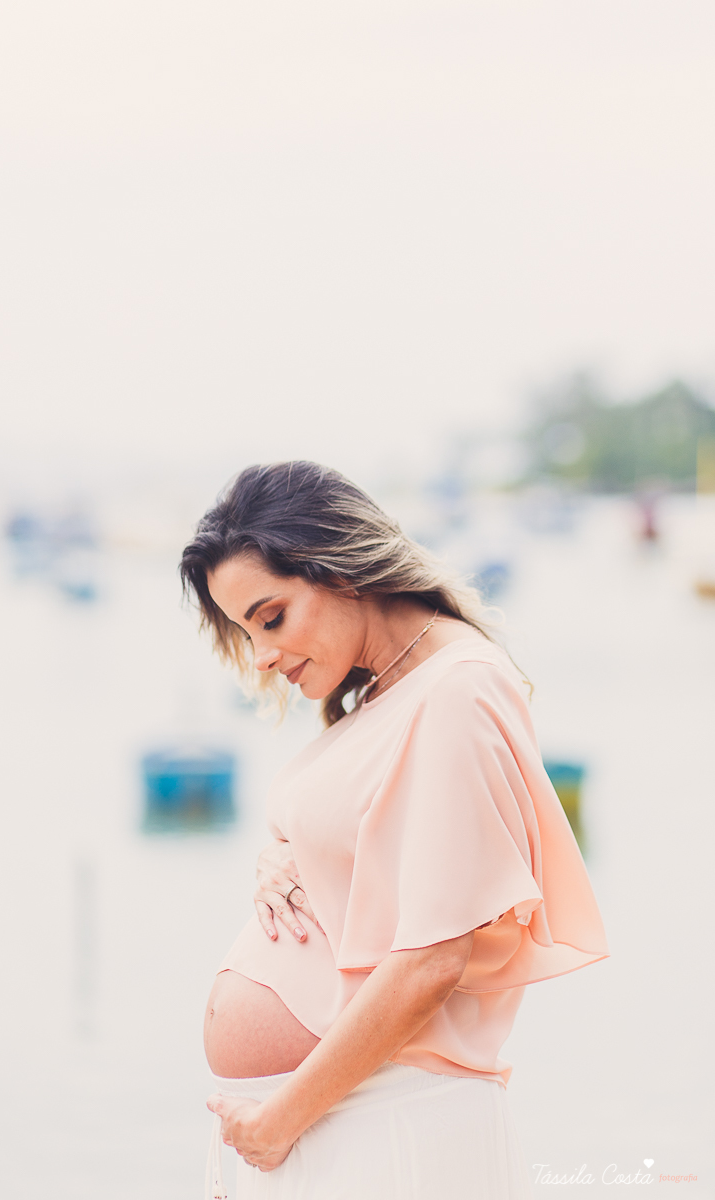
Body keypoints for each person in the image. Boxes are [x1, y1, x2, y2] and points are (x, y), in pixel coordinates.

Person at [179, 461, 608, 1199]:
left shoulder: (457, 689)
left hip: (391, 1124)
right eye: (246, 632)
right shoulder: (392, 690)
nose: (264, 657)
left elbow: (433, 960)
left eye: (271, 618)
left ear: (340, 570)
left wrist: (279, 1122)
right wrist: (280, 856)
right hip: (354, 1119)